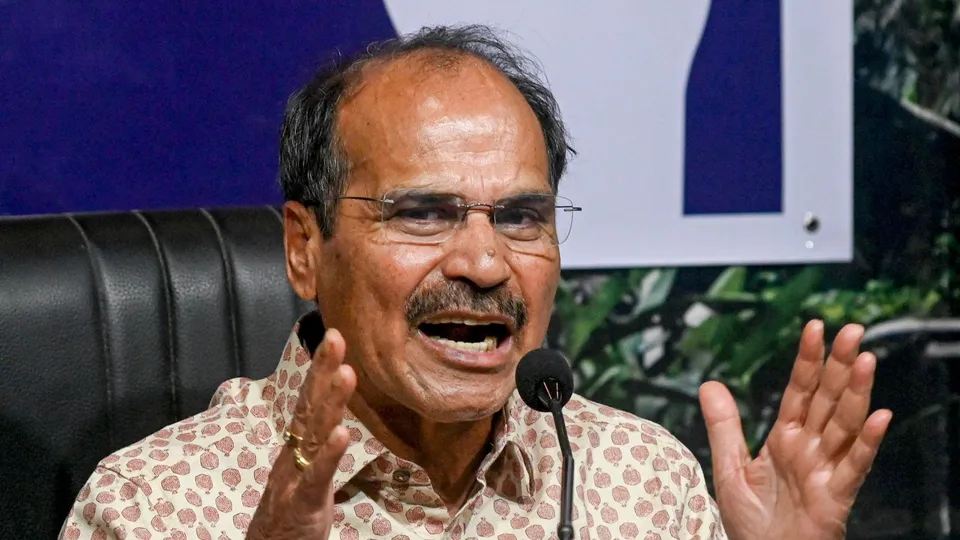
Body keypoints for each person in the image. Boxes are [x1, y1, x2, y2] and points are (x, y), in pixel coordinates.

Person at [60, 25, 891, 540]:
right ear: (306, 247)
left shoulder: (641, 483)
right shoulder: (153, 510)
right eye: (424, 213)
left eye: (522, 218)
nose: (486, 264)